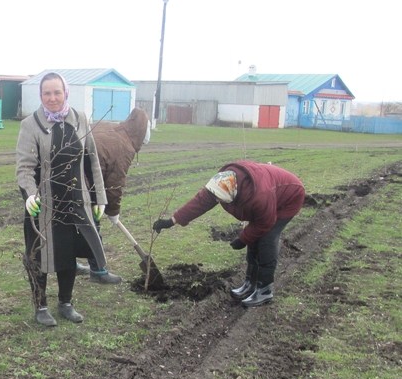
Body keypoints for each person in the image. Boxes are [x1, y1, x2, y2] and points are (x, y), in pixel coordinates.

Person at [16, 72, 108, 327]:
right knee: (38, 254)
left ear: (65, 93)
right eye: (47, 93)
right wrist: (30, 195)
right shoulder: (30, 125)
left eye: (57, 92)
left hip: (75, 201)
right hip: (41, 205)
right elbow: (24, 168)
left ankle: (66, 302)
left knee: (68, 251)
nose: (52, 98)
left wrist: (99, 196)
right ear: (41, 95)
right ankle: (41, 305)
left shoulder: (81, 120)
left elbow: (92, 161)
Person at [153, 161, 305, 307]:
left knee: (266, 239)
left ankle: (264, 289)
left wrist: (242, 238)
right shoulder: (223, 182)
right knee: (253, 240)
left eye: (220, 199)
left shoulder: (259, 196)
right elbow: (200, 202)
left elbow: (264, 223)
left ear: (231, 195)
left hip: (289, 197)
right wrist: (171, 221)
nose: (217, 201)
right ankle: (250, 284)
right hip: (269, 194)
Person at [76, 107, 152, 284]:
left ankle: (72, 264)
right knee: (92, 226)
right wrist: (113, 212)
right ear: (140, 133)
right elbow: (115, 184)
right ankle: (98, 271)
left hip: (71, 176)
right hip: (85, 181)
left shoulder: (110, 126)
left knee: (73, 225)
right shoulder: (124, 146)